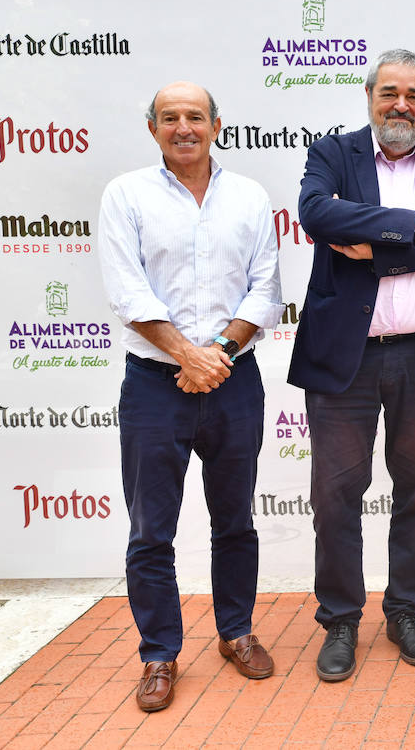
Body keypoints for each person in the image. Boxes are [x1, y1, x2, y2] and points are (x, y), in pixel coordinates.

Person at [288, 48, 415, 682]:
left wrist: (373, 248)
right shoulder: (332, 155)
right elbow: (318, 214)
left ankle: (405, 612)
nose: (402, 105)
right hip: (346, 360)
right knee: (336, 495)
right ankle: (340, 620)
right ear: (369, 97)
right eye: (390, 92)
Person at [99, 81, 284, 712]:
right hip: (156, 385)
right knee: (152, 529)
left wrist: (219, 356)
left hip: (235, 380)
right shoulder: (125, 195)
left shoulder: (250, 197)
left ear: (217, 125)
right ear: (151, 127)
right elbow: (128, 292)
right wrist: (188, 355)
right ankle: (158, 654)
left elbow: (265, 291)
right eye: (170, 117)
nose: (184, 127)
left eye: (196, 117)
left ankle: (235, 632)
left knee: (235, 520)